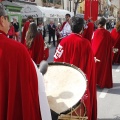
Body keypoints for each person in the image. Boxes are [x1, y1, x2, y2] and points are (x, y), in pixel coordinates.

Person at [0, 5, 52, 120]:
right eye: (8, 19)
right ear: (2, 20)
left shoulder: (24, 40)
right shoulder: (16, 50)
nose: (9, 24)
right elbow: (31, 90)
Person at [54, 16, 97, 120]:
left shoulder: (63, 42)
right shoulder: (85, 43)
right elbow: (90, 65)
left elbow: (56, 61)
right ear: (82, 28)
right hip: (80, 85)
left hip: (66, 84)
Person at [92, 17, 113, 88]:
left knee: (95, 68)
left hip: (95, 53)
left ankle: (95, 81)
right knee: (103, 69)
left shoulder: (95, 33)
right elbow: (111, 44)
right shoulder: (107, 33)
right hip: (104, 54)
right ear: (104, 24)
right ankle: (103, 82)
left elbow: (92, 43)